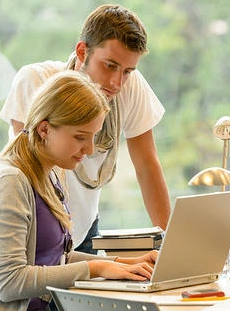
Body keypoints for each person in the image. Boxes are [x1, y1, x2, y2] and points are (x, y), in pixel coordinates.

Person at [0, 4, 171, 254]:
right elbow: (29, 168)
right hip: (39, 227)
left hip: (84, 226)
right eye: (109, 65)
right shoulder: (37, 81)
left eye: (127, 71)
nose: (116, 83)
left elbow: (147, 166)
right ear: (82, 51)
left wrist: (169, 246)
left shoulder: (129, 85)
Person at [0, 71, 158, 311]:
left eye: (93, 136)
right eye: (80, 137)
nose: (90, 149)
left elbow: (57, 259)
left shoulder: (51, 173)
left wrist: (123, 263)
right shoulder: (12, 182)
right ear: (44, 129)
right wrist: (95, 268)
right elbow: (9, 282)